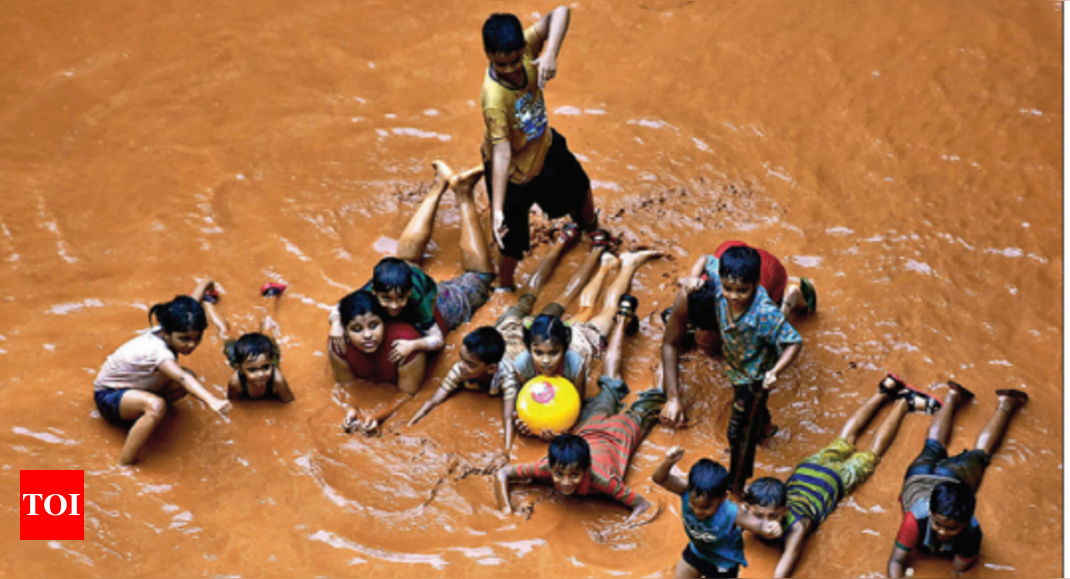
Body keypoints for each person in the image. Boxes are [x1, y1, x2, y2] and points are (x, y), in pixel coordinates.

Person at [741, 375, 938, 578]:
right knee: (845, 439)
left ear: (785, 510)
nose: (765, 522)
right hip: (808, 468)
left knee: (872, 453)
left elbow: (782, 572)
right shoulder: (750, 510)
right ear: (748, 508)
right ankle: (885, 389)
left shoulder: (797, 526)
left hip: (835, 479)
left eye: (773, 516)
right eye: (759, 516)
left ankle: (904, 402)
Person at [494, 296, 665, 521]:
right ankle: (623, 319)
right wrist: (506, 509)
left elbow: (642, 504)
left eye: (574, 475)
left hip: (624, 429)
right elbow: (503, 473)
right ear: (551, 468)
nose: (565, 482)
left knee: (656, 395)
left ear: (586, 470)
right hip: (590, 423)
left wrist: (626, 527)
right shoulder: (546, 466)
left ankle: (666, 335)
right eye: (560, 474)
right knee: (611, 382)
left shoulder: (603, 479)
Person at [480, 7, 614, 291]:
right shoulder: (494, 99)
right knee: (510, 242)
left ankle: (590, 228)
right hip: (514, 173)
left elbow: (561, 12)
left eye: (516, 61)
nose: (512, 70)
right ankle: (504, 286)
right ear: (488, 55)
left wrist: (551, 51)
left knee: (580, 188)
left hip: (544, 145)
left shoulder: (528, 46)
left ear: (521, 48)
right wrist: (498, 209)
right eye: (502, 65)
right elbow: (502, 152)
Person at [660, 246, 803, 492]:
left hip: (754, 372)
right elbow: (705, 258)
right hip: (738, 364)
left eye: (742, 291)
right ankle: (765, 426)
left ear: (755, 284)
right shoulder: (719, 282)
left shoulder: (764, 313)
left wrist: (775, 372)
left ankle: (736, 486)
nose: (734, 296)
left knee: (738, 434)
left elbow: (794, 342)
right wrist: (693, 276)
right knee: (752, 414)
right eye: (728, 290)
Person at [328, 162, 493, 360]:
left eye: (400, 299)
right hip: (408, 274)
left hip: (440, 299)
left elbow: (437, 340)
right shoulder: (371, 291)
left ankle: (464, 194)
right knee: (405, 260)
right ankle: (439, 182)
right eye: (386, 299)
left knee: (482, 278)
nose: (394, 306)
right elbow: (339, 306)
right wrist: (337, 323)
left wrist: (414, 345)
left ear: (408, 293)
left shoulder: (417, 301)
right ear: (374, 292)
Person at [885, 377, 1029, 577]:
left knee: (936, 444)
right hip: (926, 475)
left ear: (966, 521)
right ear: (930, 512)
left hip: (927, 473)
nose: (942, 532)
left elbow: (958, 572)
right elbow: (897, 561)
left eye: (950, 528)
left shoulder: (971, 532)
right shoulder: (915, 519)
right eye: (937, 523)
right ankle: (1003, 402)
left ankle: (957, 395)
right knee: (980, 453)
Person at [93, 281, 232, 465]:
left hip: (135, 389)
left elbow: (193, 301)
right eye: (184, 339)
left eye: (197, 338)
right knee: (157, 405)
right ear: (166, 333)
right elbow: (182, 377)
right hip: (109, 398)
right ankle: (124, 463)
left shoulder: (177, 322)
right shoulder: (157, 352)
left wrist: (207, 283)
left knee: (188, 379)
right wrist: (212, 400)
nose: (191, 344)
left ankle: (145, 417)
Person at [652, 448, 783, 578]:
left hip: (723, 563)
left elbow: (758, 526)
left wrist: (770, 528)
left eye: (706, 507)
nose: (698, 511)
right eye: (693, 504)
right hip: (697, 551)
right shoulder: (685, 491)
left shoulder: (731, 511)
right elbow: (659, 479)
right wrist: (668, 462)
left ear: (723, 497)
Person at [329, 291, 425, 435]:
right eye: (357, 329)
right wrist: (351, 409)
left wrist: (377, 417)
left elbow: (407, 393)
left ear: (384, 322)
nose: (367, 335)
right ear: (345, 331)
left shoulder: (407, 345)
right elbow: (346, 385)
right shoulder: (338, 345)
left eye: (374, 325)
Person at [201, 280, 295, 403]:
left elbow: (290, 402)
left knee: (269, 326)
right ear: (240, 369)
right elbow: (234, 407)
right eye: (252, 370)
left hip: (265, 350)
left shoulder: (278, 380)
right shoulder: (236, 382)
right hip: (237, 352)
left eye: (266, 367)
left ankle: (271, 292)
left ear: (271, 362)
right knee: (224, 332)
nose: (261, 374)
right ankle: (207, 301)